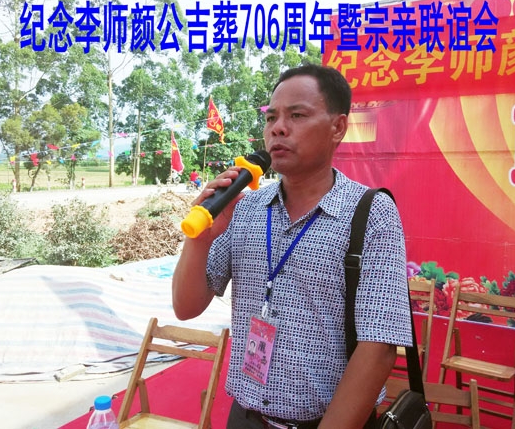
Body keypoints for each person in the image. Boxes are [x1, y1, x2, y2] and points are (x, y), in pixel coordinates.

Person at [172, 64, 411, 429]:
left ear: (338, 127)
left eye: (297, 115)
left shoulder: (371, 212)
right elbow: (186, 307)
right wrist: (200, 239)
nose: (278, 128)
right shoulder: (243, 207)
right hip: (246, 418)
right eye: (271, 118)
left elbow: (378, 347)